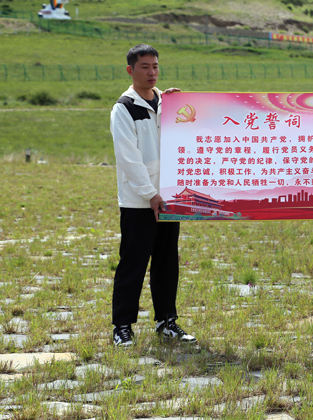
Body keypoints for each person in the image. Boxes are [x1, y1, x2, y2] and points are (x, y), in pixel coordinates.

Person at [110, 44, 196, 347]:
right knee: (133, 263)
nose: (151, 72)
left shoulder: (167, 102)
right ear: (130, 70)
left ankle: (167, 321)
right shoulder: (124, 108)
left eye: (155, 66)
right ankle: (122, 326)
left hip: (170, 198)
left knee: (167, 262)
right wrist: (149, 194)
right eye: (145, 66)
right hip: (139, 202)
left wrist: (180, 104)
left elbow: (187, 136)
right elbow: (128, 157)